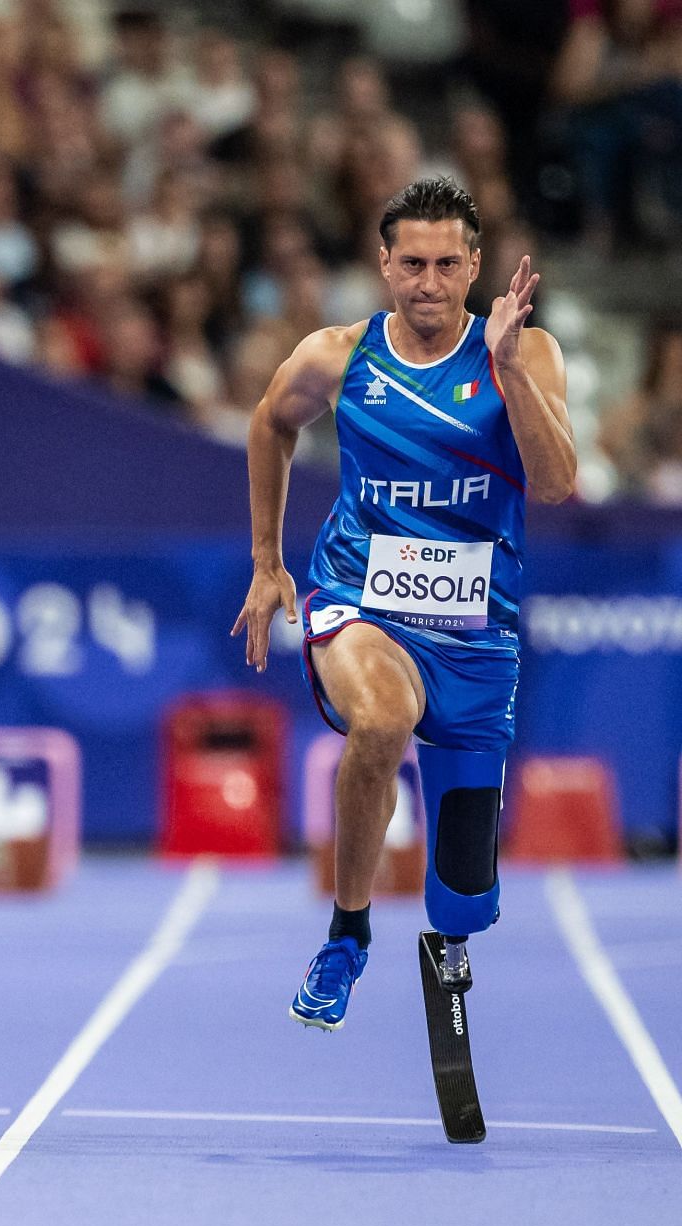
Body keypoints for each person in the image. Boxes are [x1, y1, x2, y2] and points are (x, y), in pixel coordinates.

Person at [233, 175, 576, 1029]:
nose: (429, 282)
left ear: (476, 267)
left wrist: (504, 368)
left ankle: (451, 939)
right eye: (412, 263)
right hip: (360, 599)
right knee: (381, 720)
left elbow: (560, 484)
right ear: (384, 265)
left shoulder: (526, 356)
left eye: (447, 264)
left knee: (465, 900)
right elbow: (271, 422)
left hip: (475, 633)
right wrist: (268, 560)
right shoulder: (338, 355)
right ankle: (347, 934)